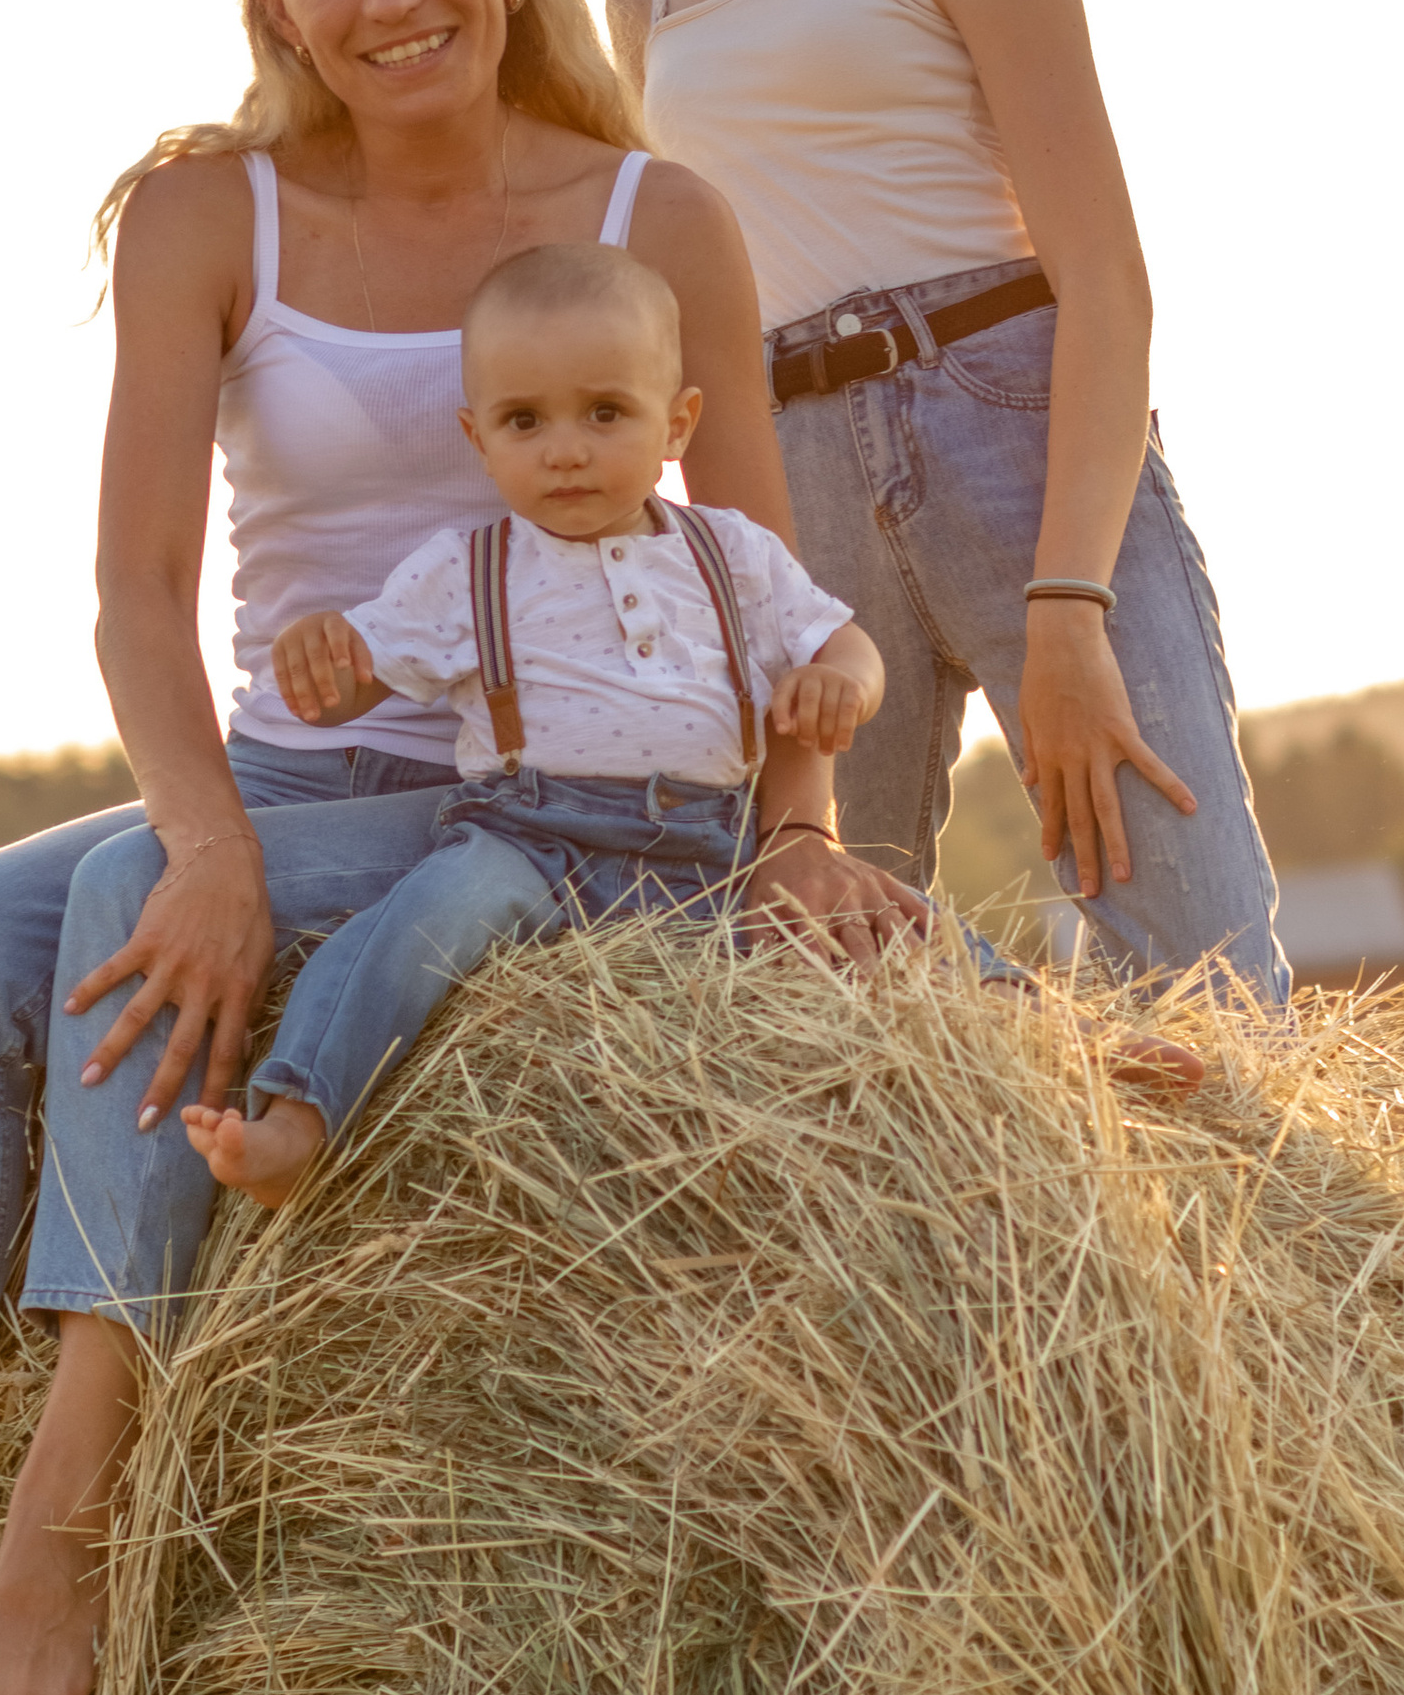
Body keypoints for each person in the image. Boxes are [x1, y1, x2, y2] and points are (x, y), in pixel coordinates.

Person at [0, 0, 913, 1695]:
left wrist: (798, 845)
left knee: (127, 892)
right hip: (290, 783)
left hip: (547, 806)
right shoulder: (206, 215)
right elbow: (131, 595)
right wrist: (214, 836)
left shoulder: (655, 215)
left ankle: (68, 1519)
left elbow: (762, 580)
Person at [610, 0, 1287, 1005]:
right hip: (780, 471)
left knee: (1202, 969)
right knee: (825, 978)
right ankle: (1028, 1068)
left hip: (1009, 417)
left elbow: (1107, 283)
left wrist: (1070, 607)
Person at [188, 236, 884, 1210]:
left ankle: (1052, 1048)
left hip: (710, 851)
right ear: (480, 440)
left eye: (605, 413)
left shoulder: (731, 552)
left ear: (676, 423)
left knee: (877, 922)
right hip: (530, 842)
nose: (564, 448)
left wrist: (842, 683)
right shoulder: (464, 569)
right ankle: (301, 1122)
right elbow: (360, 672)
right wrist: (323, 662)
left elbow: (845, 642)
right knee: (417, 925)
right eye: (525, 420)